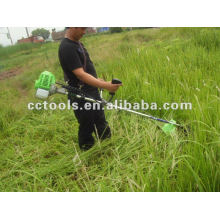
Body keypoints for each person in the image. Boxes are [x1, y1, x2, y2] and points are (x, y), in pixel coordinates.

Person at [58, 27, 122, 150]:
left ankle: (108, 148)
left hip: (91, 90)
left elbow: (86, 69)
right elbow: (80, 74)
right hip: (80, 93)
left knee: (100, 120)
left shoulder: (77, 43)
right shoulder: (67, 47)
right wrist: (106, 86)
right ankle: (87, 154)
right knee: (86, 125)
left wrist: (98, 81)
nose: (84, 31)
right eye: (82, 28)